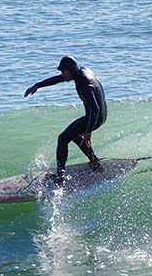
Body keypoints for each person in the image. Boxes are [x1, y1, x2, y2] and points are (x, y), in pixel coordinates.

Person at [24, 55, 107, 185]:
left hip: (95, 117)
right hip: (100, 115)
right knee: (72, 135)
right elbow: (58, 79)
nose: (62, 74)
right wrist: (37, 86)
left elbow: (95, 109)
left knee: (62, 139)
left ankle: (60, 177)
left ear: (70, 71)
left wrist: (88, 132)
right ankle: (94, 162)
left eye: (63, 71)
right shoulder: (81, 72)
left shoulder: (83, 84)